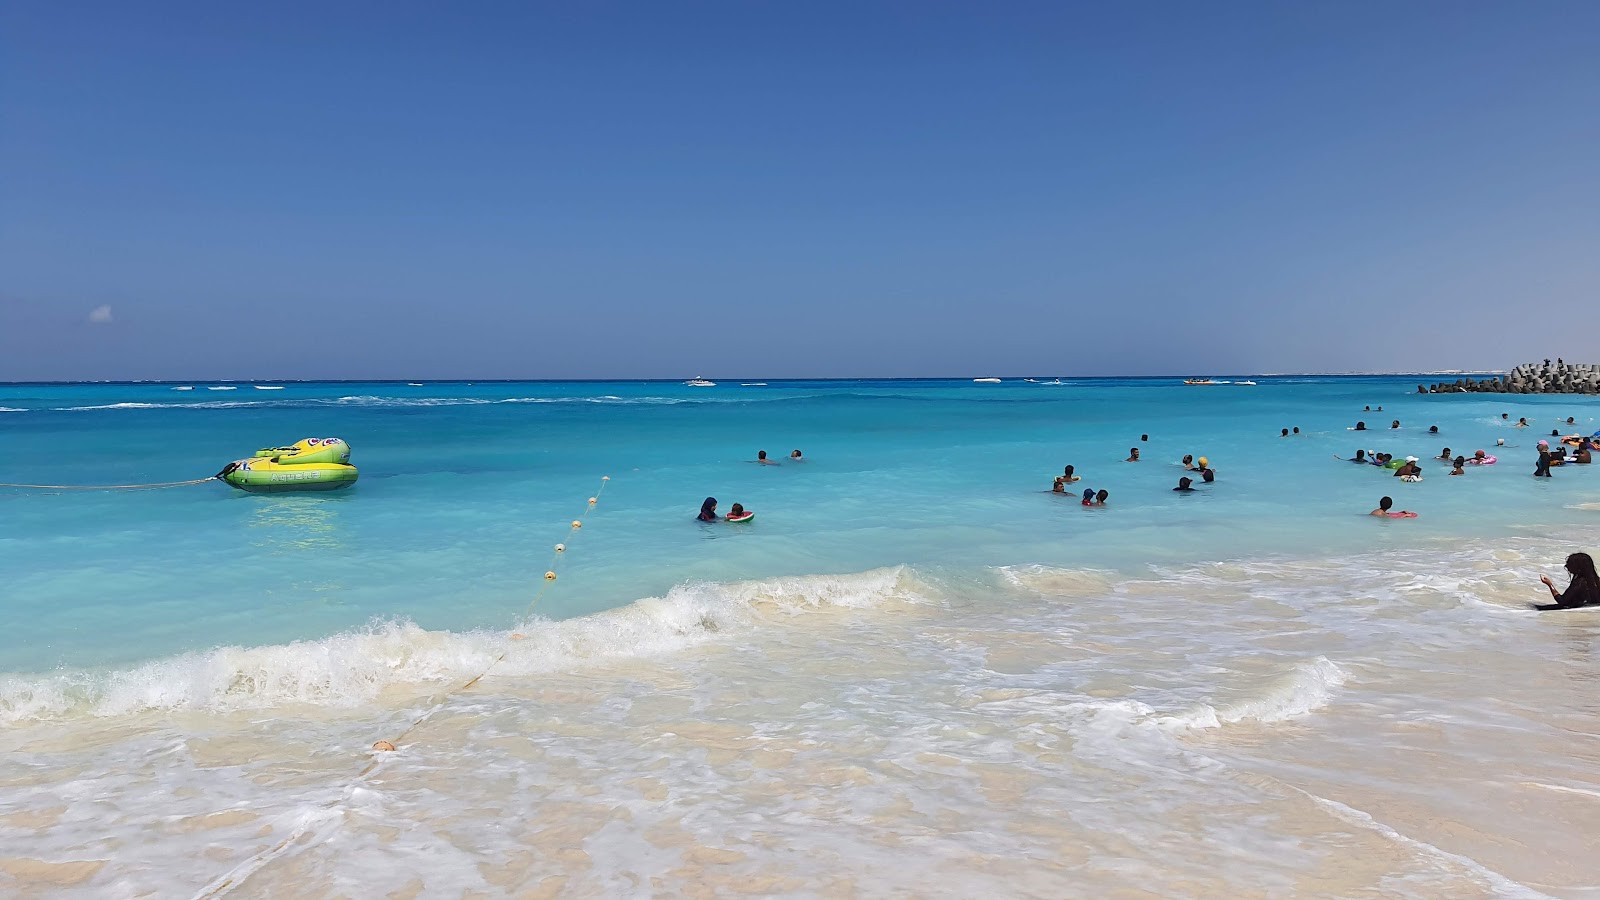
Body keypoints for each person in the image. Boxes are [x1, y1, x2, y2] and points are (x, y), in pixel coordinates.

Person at [1533, 553, 1600, 610]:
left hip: (1574, 610)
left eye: (1569, 564)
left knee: (1535, 608)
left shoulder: (1580, 582)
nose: (1566, 566)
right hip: (1588, 610)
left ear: (1578, 568)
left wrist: (1549, 584)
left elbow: (1562, 601)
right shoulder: (1596, 581)